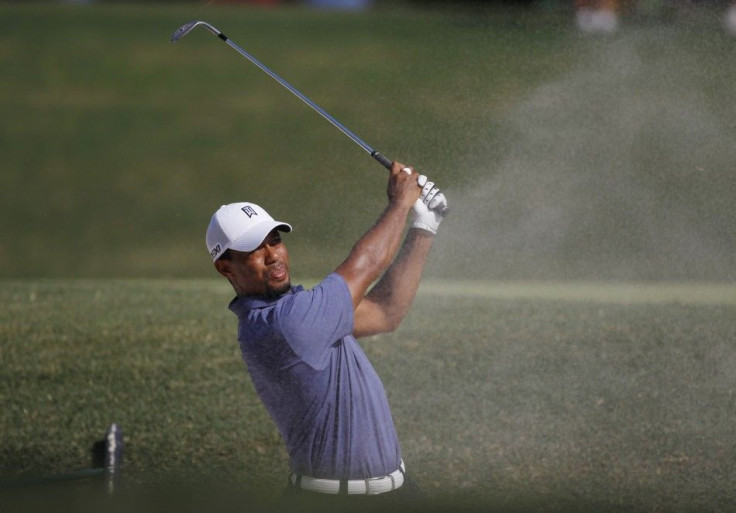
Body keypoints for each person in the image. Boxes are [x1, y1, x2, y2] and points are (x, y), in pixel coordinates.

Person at [205, 162, 447, 507]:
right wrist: (400, 203)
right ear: (225, 266)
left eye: (275, 240)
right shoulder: (283, 324)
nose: (273, 255)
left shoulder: (304, 310)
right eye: (255, 248)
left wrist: (425, 225)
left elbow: (385, 311)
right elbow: (365, 265)